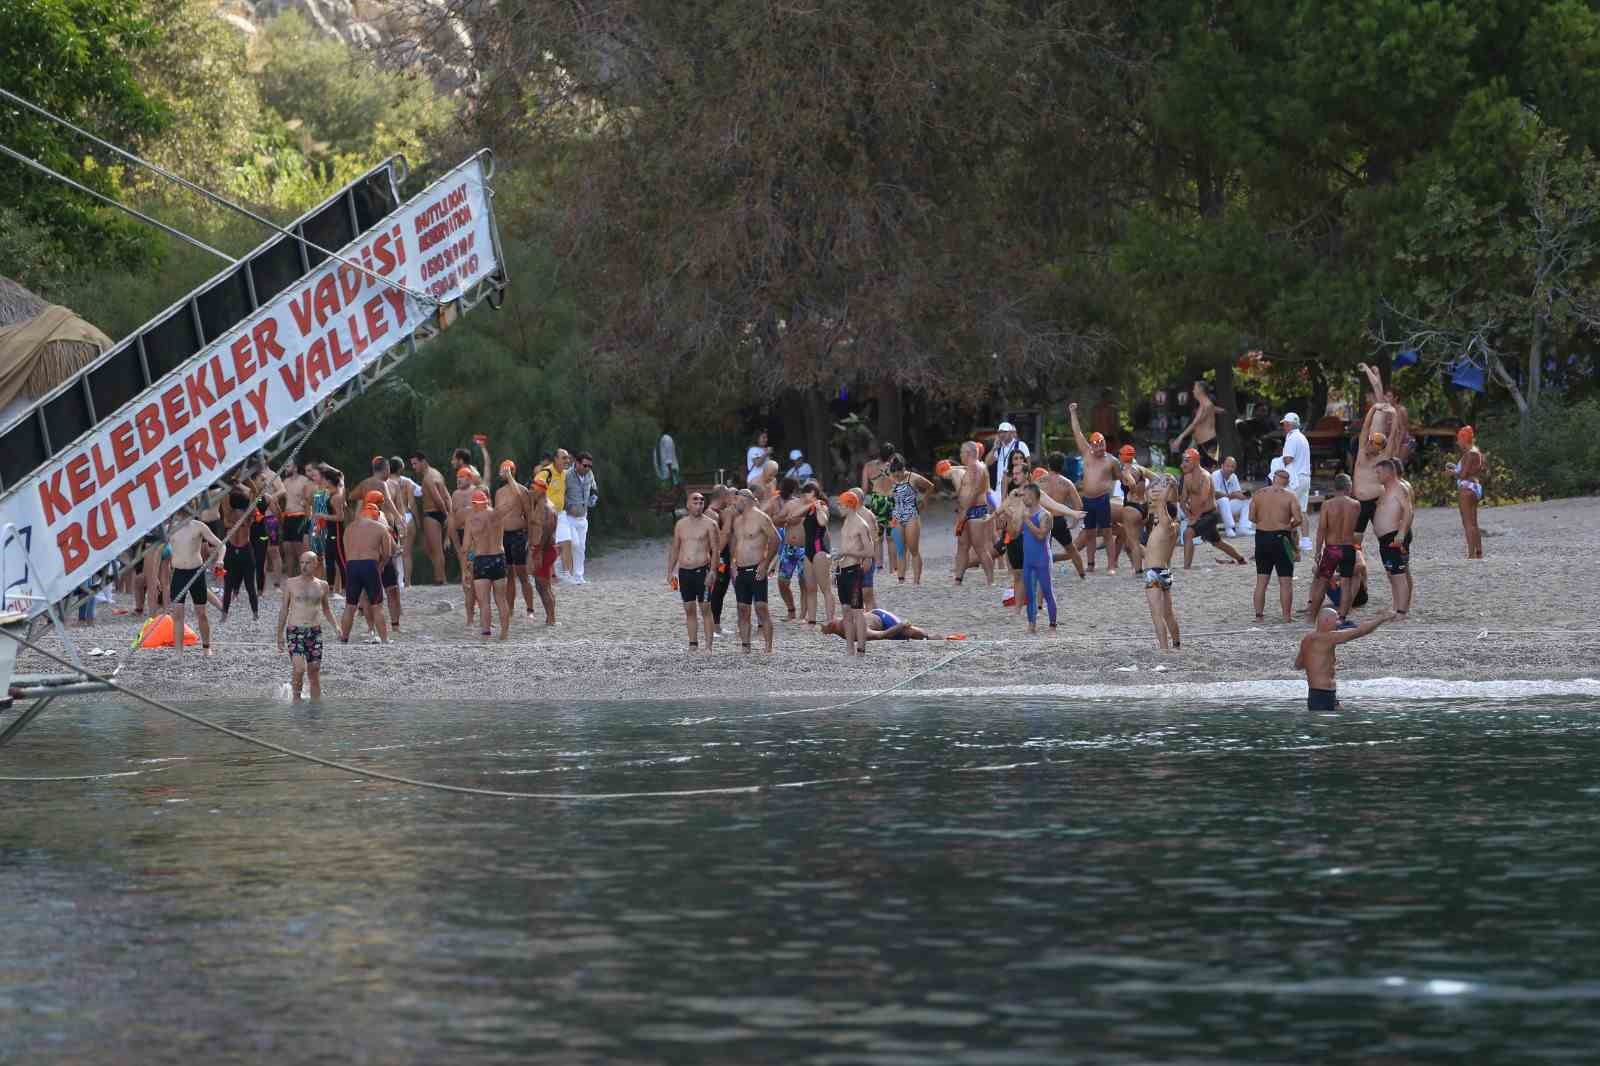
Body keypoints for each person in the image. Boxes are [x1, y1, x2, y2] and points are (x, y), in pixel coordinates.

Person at [1296, 609, 1395, 710]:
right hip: (1321, 696)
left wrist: (1319, 664)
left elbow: (1298, 665)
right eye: (1336, 619)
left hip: (1322, 693)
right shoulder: (1326, 637)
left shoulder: (1308, 638)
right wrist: (1382, 618)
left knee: (1343, 718)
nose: (1339, 622)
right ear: (1326, 620)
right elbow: (1360, 631)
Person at [277, 550, 337, 701]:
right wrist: (279, 635)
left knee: (314, 670)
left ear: (316, 564)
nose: (303, 566)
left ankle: (315, 706)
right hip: (295, 630)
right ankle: (296, 701)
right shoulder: (291, 583)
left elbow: (327, 610)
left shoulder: (322, 585)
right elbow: (284, 609)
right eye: (302, 563)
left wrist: (336, 627)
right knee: (299, 669)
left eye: (307, 563)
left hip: (314, 631)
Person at [1069, 401, 1122, 574]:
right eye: (1097, 445)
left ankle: (1111, 564)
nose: (1100, 447)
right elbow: (1077, 432)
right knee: (1089, 532)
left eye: (1102, 444)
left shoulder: (1111, 460)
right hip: (1088, 500)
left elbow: (1122, 477)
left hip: (1102, 499)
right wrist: (1073, 413)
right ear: (1091, 445)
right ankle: (1090, 564)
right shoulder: (1086, 453)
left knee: (1107, 532)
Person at [1248, 466, 1303, 623]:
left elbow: (1251, 517)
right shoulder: (1290, 496)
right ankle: (1286, 616)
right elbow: (1298, 519)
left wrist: (1265, 521)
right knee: (1285, 581)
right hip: (1281, 537)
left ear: (1273, 478)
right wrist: (1288, 525)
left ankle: (1259, 616)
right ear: (1287, 482)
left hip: (1262, 537)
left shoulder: (1259, 494)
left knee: (1261, 580)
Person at [168, 505, 225, 656]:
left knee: (201, 613)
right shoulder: (170, 529)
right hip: (178, 573)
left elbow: (221, 545)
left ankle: (206, 647)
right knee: (178, 615)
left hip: (196, 572)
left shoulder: (199, 526)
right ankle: (178, 652)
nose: (182, 513)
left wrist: (220, 560)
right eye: (180, 511)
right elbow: (158, 550)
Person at [667, 490, 719, 652]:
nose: (698, 505)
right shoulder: (681, 524)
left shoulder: (710, 524)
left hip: (702, 571)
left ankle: (708, 646)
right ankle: (693, 643)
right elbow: (675, 548)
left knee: (705, 608)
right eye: (695, 502)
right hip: (684, 572)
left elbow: (715, 550)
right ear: (688, 505)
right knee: (689, 608)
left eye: (701, 502)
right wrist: (670, 571)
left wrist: (712, 571)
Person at [729, 488, 780, 653]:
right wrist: (733, 563)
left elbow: (776, 539)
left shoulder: (761, 518)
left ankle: (768, 647)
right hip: (741, 570)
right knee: (742, 609)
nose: (733, 504)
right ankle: (746, 646)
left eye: (735, 500)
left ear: (744, 499)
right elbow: (735, 543)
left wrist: (765, 564)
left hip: (756, 569)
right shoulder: (737, 521)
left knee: (761, 608)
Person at [338, 499, 394, 644]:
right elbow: (388, 553)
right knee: (377, 605)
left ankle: (344, 638)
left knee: (350, 605)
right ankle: (385, 639)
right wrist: (381, 565)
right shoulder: (380, 528)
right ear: (376, 515)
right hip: (370, 565)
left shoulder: (349, 528)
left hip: (351, 565)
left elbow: (346, 551)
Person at [1179, 448, 1246, 567]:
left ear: (1195, 461)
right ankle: (1240, 559)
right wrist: (1189, 515)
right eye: (1183, 461)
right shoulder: (1187, 477)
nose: (1183, 464)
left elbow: (1203, 501)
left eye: (1186, 461)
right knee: (1217, 542)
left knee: (1188, 533)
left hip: (1210, 514)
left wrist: (1195, 518)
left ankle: (1186, 568)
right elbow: (1183, 499)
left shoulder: (1205, 476)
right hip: (1197, 515)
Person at [1307, 473, 1360, 623]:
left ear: (1334, 487)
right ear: (1349, 487)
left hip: (1332, 548)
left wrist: (1318, 551)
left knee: (1322, 583)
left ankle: (1312, 617)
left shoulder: (1327, 505)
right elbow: (1355, 529)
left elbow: (1322, 529)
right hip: (1348, 547)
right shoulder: (1356, 505)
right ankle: (1341, 618)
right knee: (1346, 583)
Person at [464, 488, 513, 639]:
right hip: (499, 558)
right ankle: (504, 633)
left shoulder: (471, 519)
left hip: (481, 560)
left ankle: (486, 634)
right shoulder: (497, 515)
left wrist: (469, 562)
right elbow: (513, 502)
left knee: (484, 602)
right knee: (501, 599)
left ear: (474, 503)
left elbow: (465, 547)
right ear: (486, 502)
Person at [1142, 477, 1182, 650]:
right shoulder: (1174, 527)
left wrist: (1169, 485)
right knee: (1168, 613)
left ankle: (1164, 649)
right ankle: (1177, 644)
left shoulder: (1165, 525)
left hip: (1154, 572)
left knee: (1157, 615)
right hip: (1165, 571)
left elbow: (1161, 503)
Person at [1372, 458, 1415, 621]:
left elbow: (1408, 510)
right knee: (1392, 574)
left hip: (1395, 535)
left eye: (1379, 472)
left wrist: (1401, 533)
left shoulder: (1399, 487)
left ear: (1389, 473)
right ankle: (1396, 607)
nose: (1377, 475)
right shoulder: (1386, 489)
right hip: (1386, 538)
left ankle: (1402, 612)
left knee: (1399, 574)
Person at [834, 489, 875, 655]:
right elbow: (845, 547)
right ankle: (849, 649)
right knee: (845, 611)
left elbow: (870, 552)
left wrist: (847, 553)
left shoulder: (861, 524)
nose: (837, 508)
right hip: (842, 570)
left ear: (849, 506)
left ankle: (861, 649)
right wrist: (835, 568)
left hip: (854, 571)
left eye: (840, 505)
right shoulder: (845, 522)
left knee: (858, 611)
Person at [1031, 459, 1088, 579]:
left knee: (1042, 551)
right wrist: (1074, 522)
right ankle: (1082, 574)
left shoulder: (1038, 482)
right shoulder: (1067, 483)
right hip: (1059, 520)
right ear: (1062, 466)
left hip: (1044, 520)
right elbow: (1079, 505)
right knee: (1071, 549)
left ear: (1048, 465)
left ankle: (1040, 577)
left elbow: (1029, 501)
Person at [953, 441, 997, 585]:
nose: (960, 455)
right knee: (962, 545)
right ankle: (958, 578)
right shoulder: (969, 468)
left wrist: (966, 510)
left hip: (975, 510)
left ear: (969, 453)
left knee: (979, 547)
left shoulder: (978, 468)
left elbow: (976, 490)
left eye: (961, 452)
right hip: (964, 510)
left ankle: (990, 580)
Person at [888, 458, 934, 584]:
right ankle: (901, 579)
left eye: (898, 472)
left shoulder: (913, 478)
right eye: (894, 472)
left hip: (911, 514)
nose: (896, 475)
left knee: (913, 548)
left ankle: (916, 580)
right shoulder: (891, 479)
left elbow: (930, 486)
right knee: (900, 549)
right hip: (896, 515)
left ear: (904, 469)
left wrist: (924, 501)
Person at [219, 480, 260, 622]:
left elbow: (255, 493)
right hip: (231, 549)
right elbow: (224, 498)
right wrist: (232, 483)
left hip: (245, 549)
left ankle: (255, 613)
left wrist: (246, 480)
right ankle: (224, 613)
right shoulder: (229, 513)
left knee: (250, 585)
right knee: (228, 584)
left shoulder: (249, 513)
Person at [409, 451, 453, 584]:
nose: (414, 467)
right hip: (439, 512)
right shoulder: (437, 473)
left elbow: (438, 499)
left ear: (423, 462)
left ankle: (440, 579)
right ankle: (440, 576)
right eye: (412, 464)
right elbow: (447, 496)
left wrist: (446, 515)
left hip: (432, 514)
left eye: (415, 464)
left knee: (436, 549)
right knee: (430, 548)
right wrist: (449, 513)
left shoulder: (428, 478)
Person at [1019, 483, 1057, 634]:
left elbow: (1041, 535)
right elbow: (1016, 532)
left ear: (1034, 497)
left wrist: (1027, 521)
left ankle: (1052, 624)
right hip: (1028, 559)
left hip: (1042, 559)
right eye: (1023, 495)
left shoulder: (1044, 515)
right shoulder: (1025, 513)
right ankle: (1031, 624)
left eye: (1026, 495)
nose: (1024, 498)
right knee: (1030, 593)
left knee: (1047, 592)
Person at [799, 480, 836, 625]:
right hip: (808, 550)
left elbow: (822, 522)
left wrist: (819, 508)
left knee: (825, 587)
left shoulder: (822, 506)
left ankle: (830, 620)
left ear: (813, 493)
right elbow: (793, 516)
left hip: (819, 550)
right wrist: (810, 506)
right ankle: (812, 619)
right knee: (810, 588)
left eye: (806, 492)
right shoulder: (807, 509)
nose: (803, 495)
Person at [526, 475, 559, 625]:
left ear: (541, 491)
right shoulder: (541, 504)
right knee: (542, 585)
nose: (530, 492)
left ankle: (551, 619)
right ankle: (550, 617)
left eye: (532, 489)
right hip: (543, 549)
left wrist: (538, 552)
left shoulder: (546, 507)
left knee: (543, 586)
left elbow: (547, 529)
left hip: (544, 550)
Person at [1449, 425, 1485, 559]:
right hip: (1475, 487)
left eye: (1459, 440)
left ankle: (1471, 554)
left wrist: (1452, 473)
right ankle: (1479, 552)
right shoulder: (1477, 452)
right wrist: (1457, 468)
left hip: (1466, 488)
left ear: (1464, 440)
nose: (1458, 443)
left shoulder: (1470, 454)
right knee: (1474, 522)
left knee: (1467, 523)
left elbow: (1463, 475)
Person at [563, 451, 598, 583]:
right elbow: (561, 493)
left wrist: (594, 496)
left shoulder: (589, 474)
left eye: (590, 466)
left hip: (583, 516)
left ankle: (579, 575)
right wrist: (568, 506)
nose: (587, 468)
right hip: (569, 517)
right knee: (574, 544)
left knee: (581, 546)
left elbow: (594, 486)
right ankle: (566, 571)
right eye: (585, 465)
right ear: (576, 463)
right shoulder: (567, 475)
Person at [385, 457, 421, 588]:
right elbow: (412, 504)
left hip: (393, 517)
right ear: (401, 468)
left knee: (392, 552)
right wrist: (417, 521)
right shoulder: (407, 482)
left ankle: (393, 582)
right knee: (407, 553)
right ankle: (408, 583)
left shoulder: (386, 483)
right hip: (407, 516)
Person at [1280, 412, 1313, 551]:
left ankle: (1286, 540)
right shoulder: (1302, 437)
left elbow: (1288, 459)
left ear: (1288, 424)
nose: (1283, 427)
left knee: (1286, 509)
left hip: (1295, 478)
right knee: (1302, 510)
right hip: (1305, 477)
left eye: (1284, 424)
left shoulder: (1291, 438)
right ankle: (1306, 541)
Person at [1170, 380, 1223, 468]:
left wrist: (1180, 437)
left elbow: (1194, 423)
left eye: (1195, 388)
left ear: (1200, 390)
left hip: (1208, 440)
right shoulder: (1201, 403)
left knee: (1210, 467)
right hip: (1199, 439)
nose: (1193, 391)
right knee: (1198, 465)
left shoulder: (1206, 402)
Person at [278, 460, 313, 583]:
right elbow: (280, 499)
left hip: (300, 516)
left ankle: (305, 577)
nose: (286, 468)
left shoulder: (304, 481)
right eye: (286, 465)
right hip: (287, 516)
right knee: (287, 548)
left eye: (289, 466)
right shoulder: (285, 482)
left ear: (296, 468)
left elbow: (310, 498)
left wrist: (306, 505)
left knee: (299, 549)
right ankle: (290, 578)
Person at [820, 610, 959, 642]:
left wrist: (901, 625)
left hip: (883, 619)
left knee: (915, 634)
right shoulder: (839, 624)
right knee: (908, 636)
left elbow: (882, 635)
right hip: (877, 622)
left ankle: (945, 638)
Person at [1211, 456, 1252, 537]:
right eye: (1228, 466)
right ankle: (1229, 528)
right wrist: (1230, 495)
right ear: (1222, 466)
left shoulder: (1233, 476)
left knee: (1248, 501)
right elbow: (1215, 493)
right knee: (1224, 499)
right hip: (1215, 505)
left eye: (1232, 467)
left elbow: (1237, 492)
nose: (1230, 469)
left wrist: (1244, 496)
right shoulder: (1216, 475)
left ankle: (1244, 528)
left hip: (1228, 505)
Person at [985, 420, 1030, 494]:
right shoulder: (999, 448)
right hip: (999, 489)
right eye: (1000, 432)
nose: (1002, 434)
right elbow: (987, 463)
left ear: (1011, 433)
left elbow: (1028, 466)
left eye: (1005, 432)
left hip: (1016, 488)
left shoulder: (1020, 445)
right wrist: (994, 448)